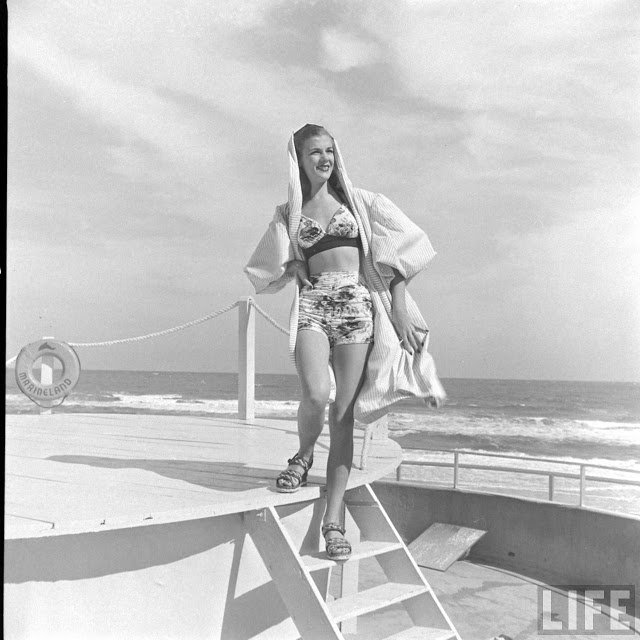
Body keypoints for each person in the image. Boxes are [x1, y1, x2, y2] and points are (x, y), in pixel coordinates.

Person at [245, 124, 445, 561]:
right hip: (314, 305)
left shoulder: (361, 202)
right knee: (315, 394)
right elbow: (264, 266)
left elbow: (407, 244)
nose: (325, 159)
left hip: (357, 308)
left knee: (343, 414)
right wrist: (294, 268)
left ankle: (332, 520)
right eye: (315, 152)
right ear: (298, 160)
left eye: (330, 151)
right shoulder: (288, 213)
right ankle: (302, 456)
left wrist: (397, 299)